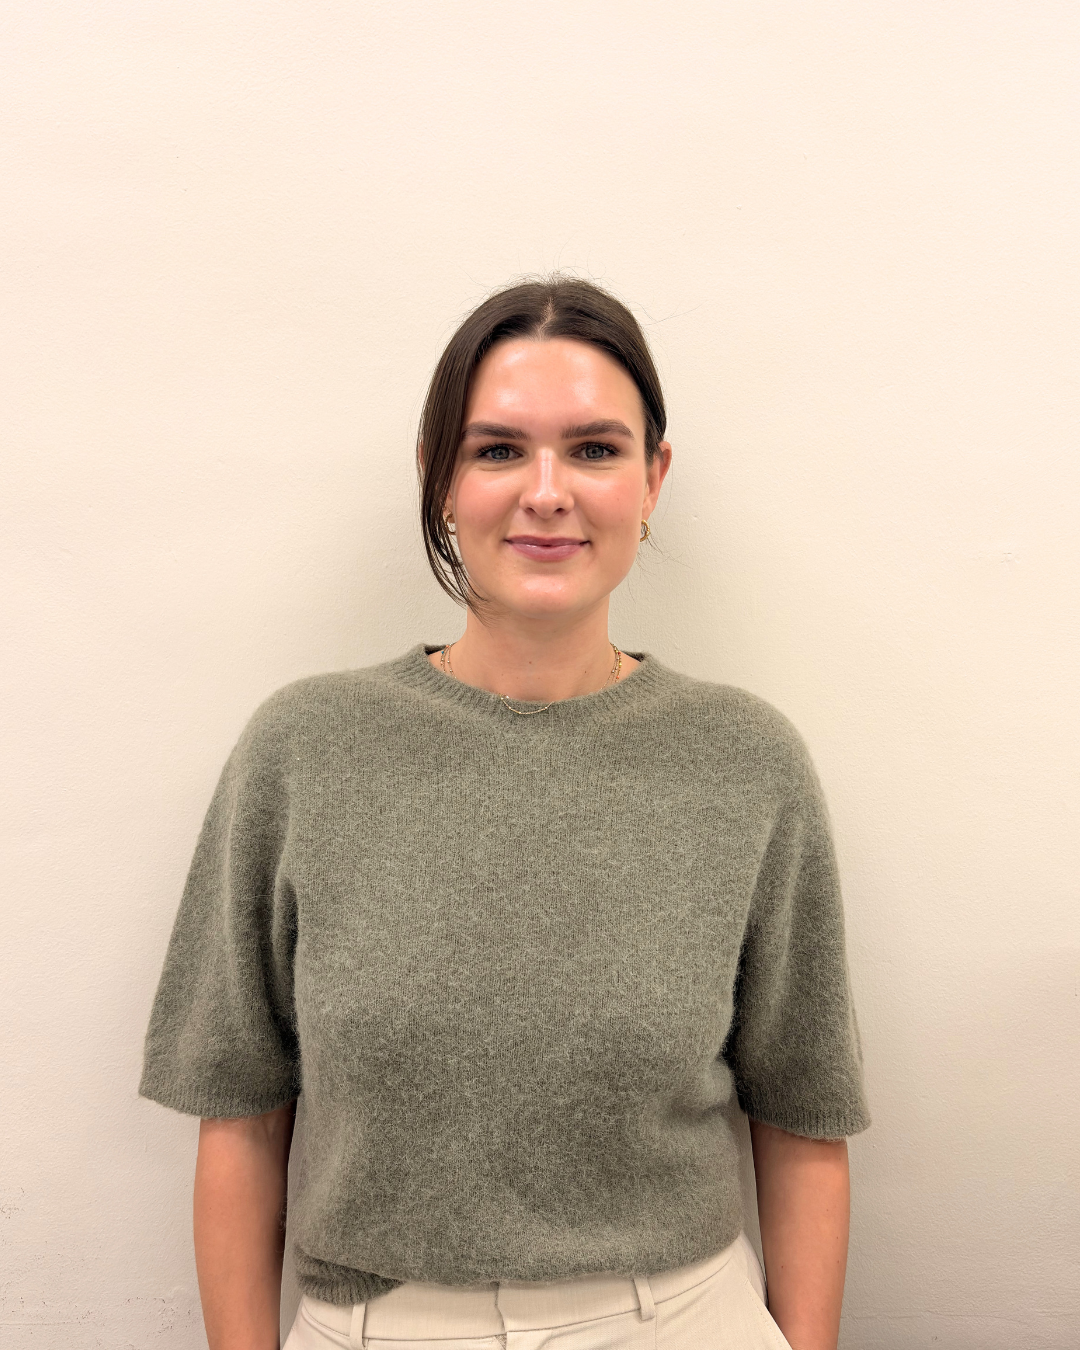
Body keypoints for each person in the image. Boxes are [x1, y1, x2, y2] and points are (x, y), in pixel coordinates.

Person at [138, 275, 871, 1350]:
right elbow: (239, 1117)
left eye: (595, 449)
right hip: (377, 1325)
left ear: (653, 478)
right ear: (439, 478)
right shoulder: (304, 749)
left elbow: (804, 1124)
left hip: (680, 1321)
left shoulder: (747, 762)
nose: (547, 492)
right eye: (497, 451)